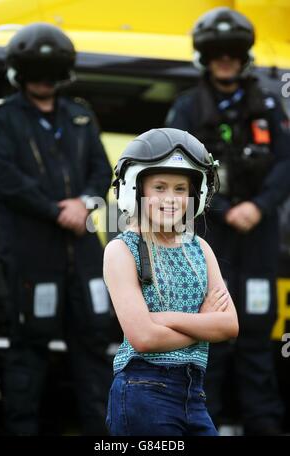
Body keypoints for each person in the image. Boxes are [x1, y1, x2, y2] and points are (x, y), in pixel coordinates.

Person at [166, 7, 290, 435]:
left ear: (243, 58)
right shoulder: (185, 108)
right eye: (217, 54)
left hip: (257, 238)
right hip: (208, 239)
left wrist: (258, 206)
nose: (225, 61)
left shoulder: (270, 105)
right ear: (205, 57)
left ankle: (265, 426)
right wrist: (218, 208)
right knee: (208, 338)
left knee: (255, 338)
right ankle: (203, 426)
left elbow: (286, 164)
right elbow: (171, 174)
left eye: (232, 54)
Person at [0, 23, 113, 435]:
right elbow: (3, 178)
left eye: (51, 70)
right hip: (30, 256)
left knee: (95, 347)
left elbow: (102, 169)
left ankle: (103, 435)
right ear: (19, 72)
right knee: (28, 351)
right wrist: (54, 210)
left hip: (84, 255)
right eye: (35, 71)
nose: (44, 80)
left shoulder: (80, 114)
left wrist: (85, 204)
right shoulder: (2, 119)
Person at [103, 128, 239, 436]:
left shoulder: (200, 249)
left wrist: (165, 319)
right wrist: (204, 324)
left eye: (180, 189)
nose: (171, 198)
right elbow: (144, 339)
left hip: (195, 394)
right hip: (142, 391)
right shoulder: (122, 250)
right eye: (159, 187)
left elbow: (229, 325)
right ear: (135, 191)